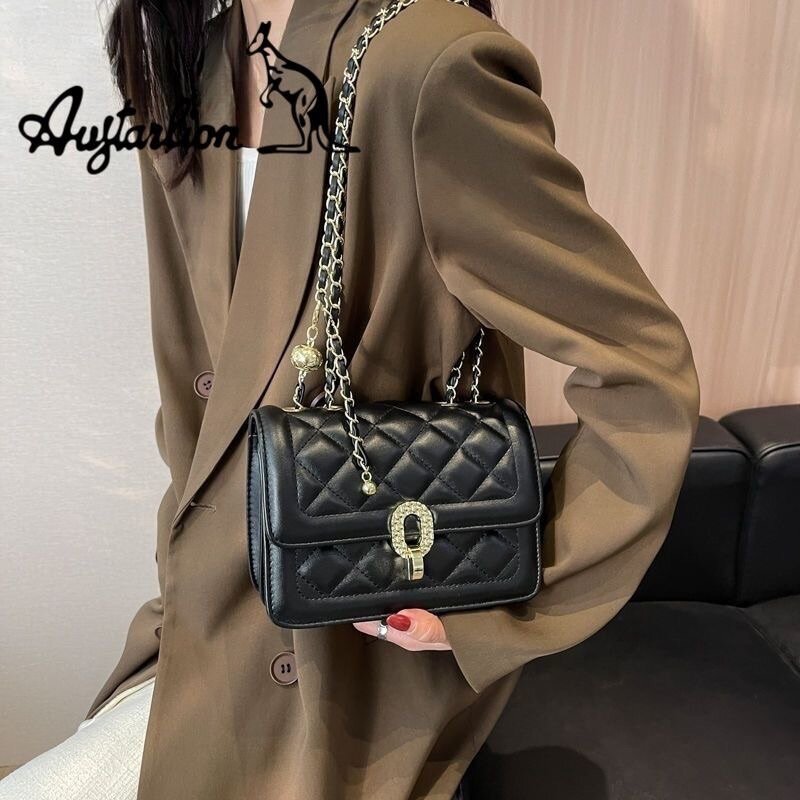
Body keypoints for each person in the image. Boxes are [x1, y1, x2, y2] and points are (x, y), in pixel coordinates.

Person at [0, 0, 701, 798]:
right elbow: (197, 396)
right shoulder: (187, 59)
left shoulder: (425, 67)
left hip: (355, 669)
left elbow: (642, 372)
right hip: (200, 625)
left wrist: (505, 600)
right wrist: (179, 595)